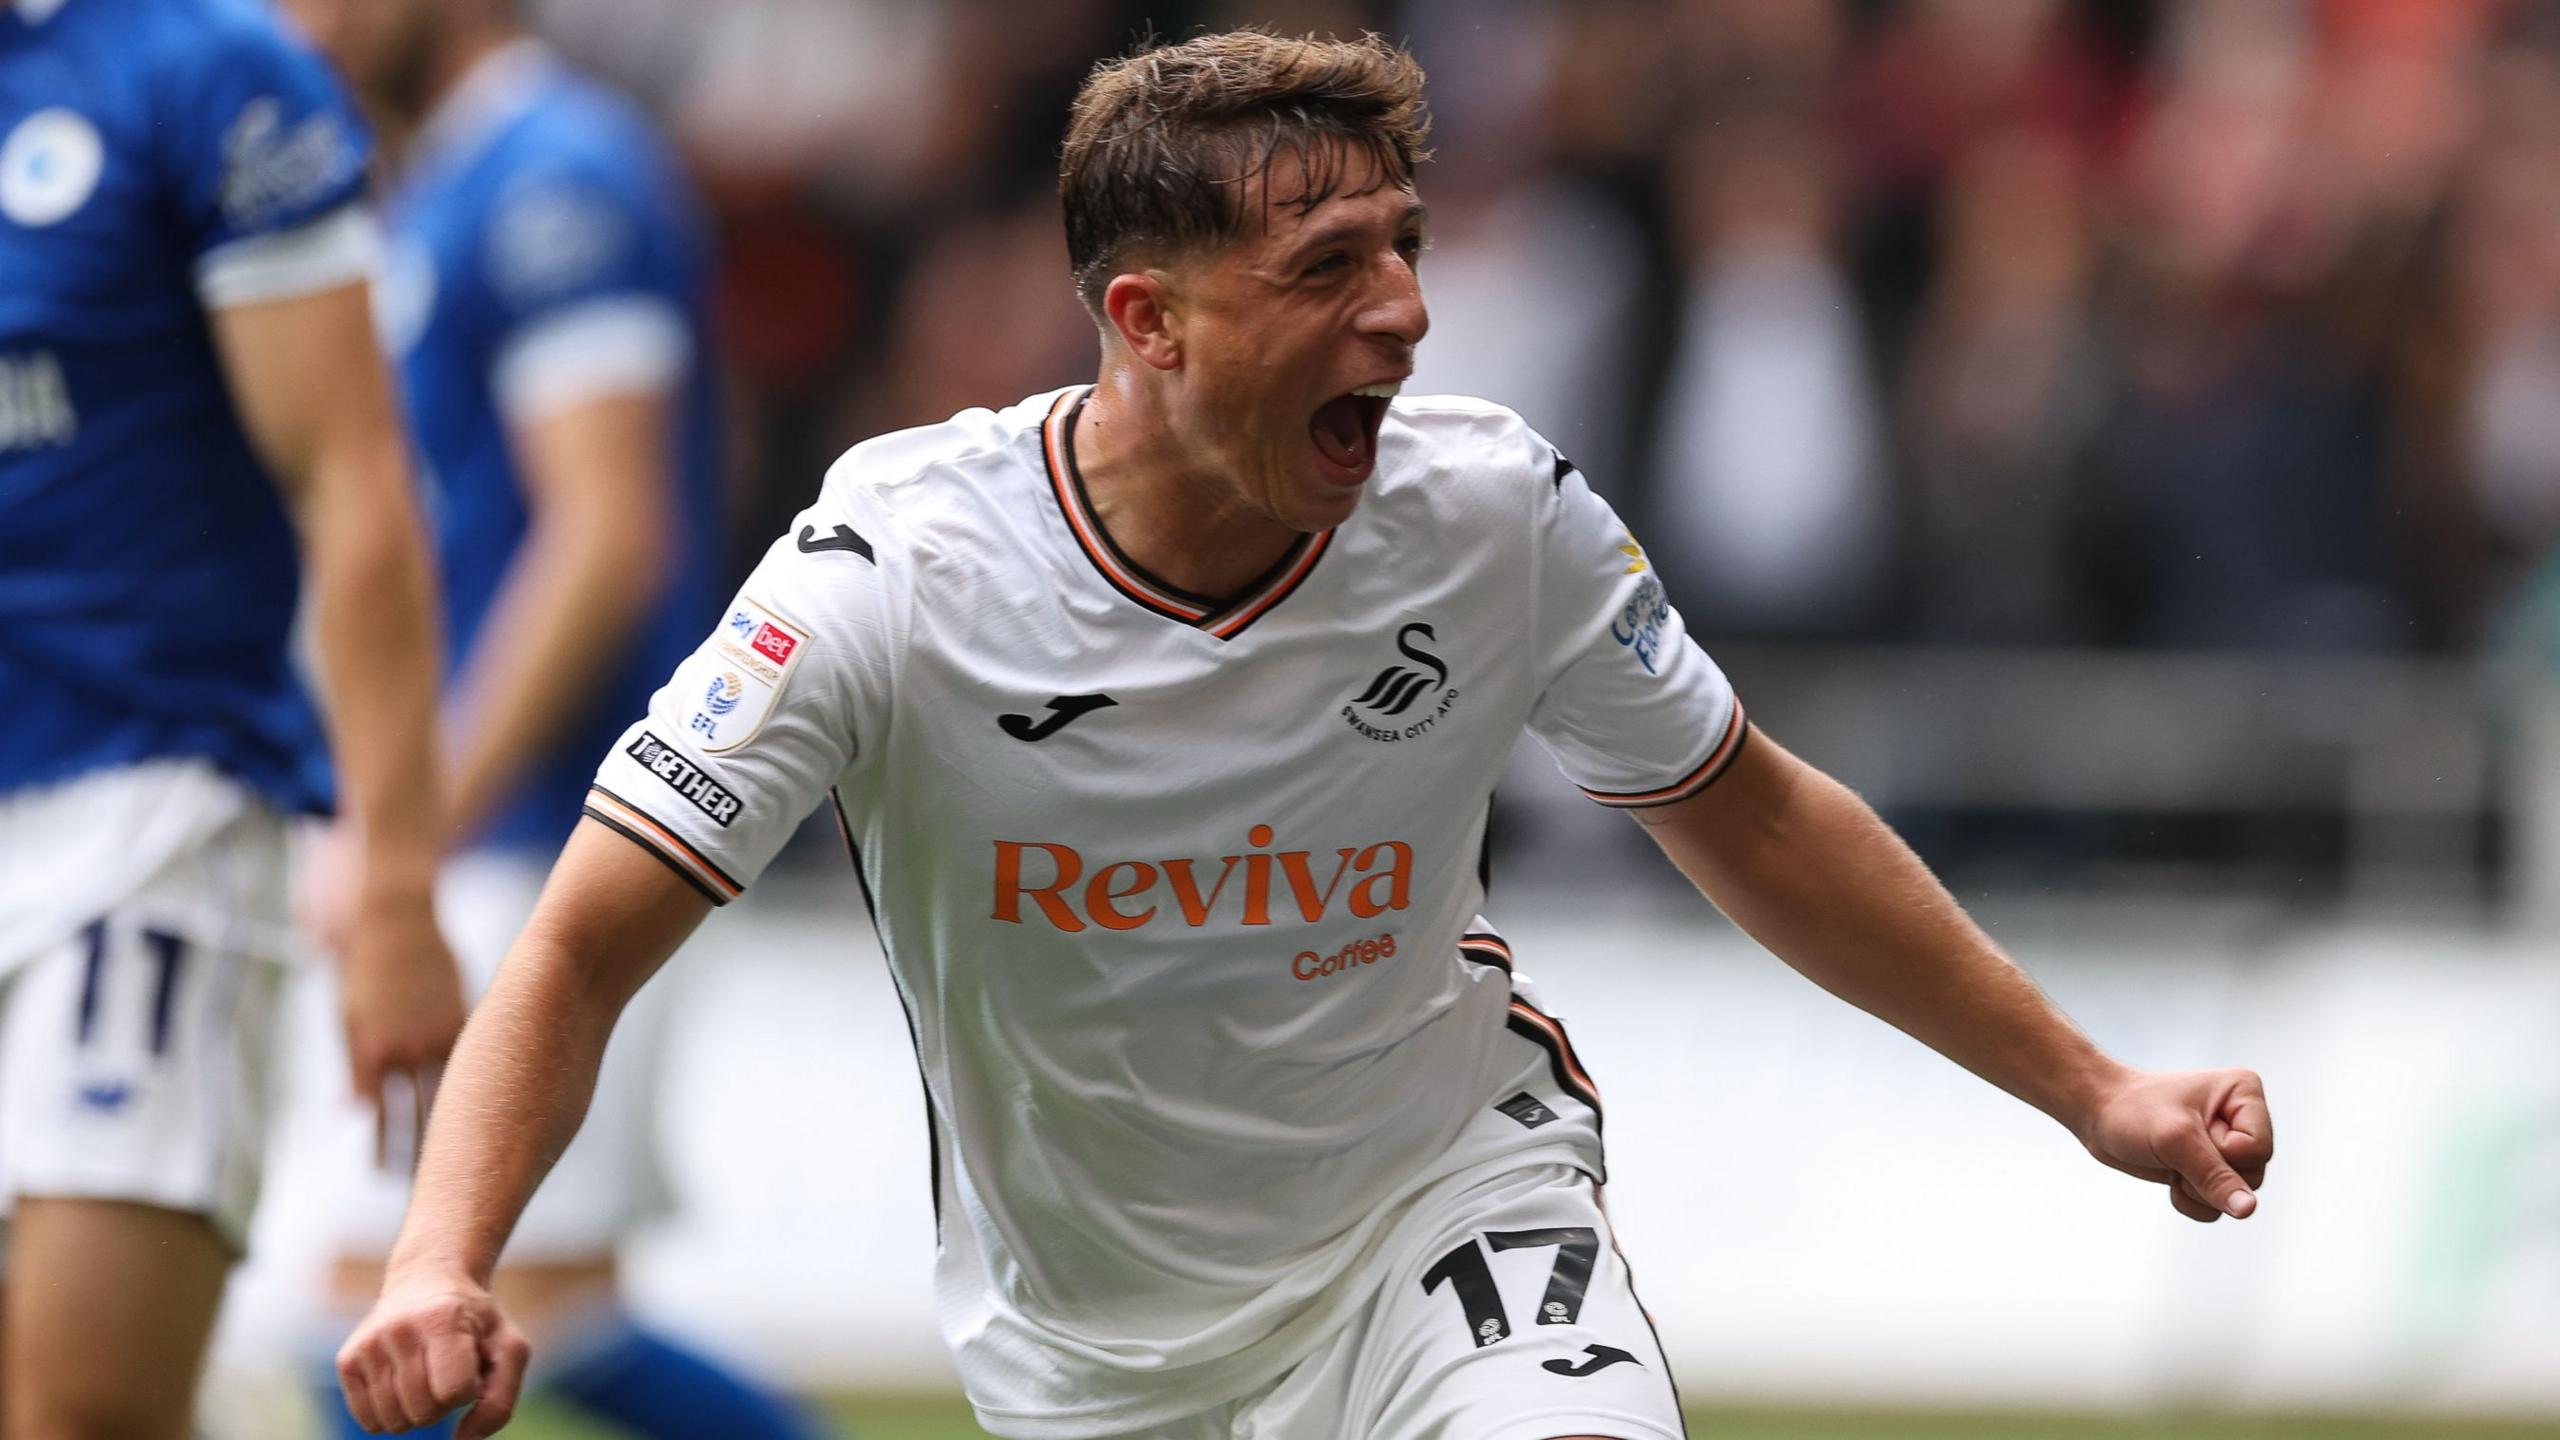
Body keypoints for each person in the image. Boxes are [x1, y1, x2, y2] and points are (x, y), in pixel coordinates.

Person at [337, 30, 2277, 1440]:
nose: (1408, 314)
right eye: (1326, 270)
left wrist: (2087, 1090)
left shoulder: (1488, 513)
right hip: (1098, 1363)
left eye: (1405, 245)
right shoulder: (890, 576)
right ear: (1146, 322)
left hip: (1444, 1224)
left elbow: (1749, 816)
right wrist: (440, 1257)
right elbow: (583, 939)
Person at [278, 1, 824, 1436]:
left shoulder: (557, 177)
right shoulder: (451, 182)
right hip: (487, 827)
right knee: (453, 1316)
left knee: (377, 1317)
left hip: (551, 829)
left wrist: (411, 828)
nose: (295, 23)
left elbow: (605, 534)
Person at [0, 0, 466, 1435]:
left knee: (84, 1410)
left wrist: (392, 882)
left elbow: (355, 481)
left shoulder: (207, 75)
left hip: (143, 823)